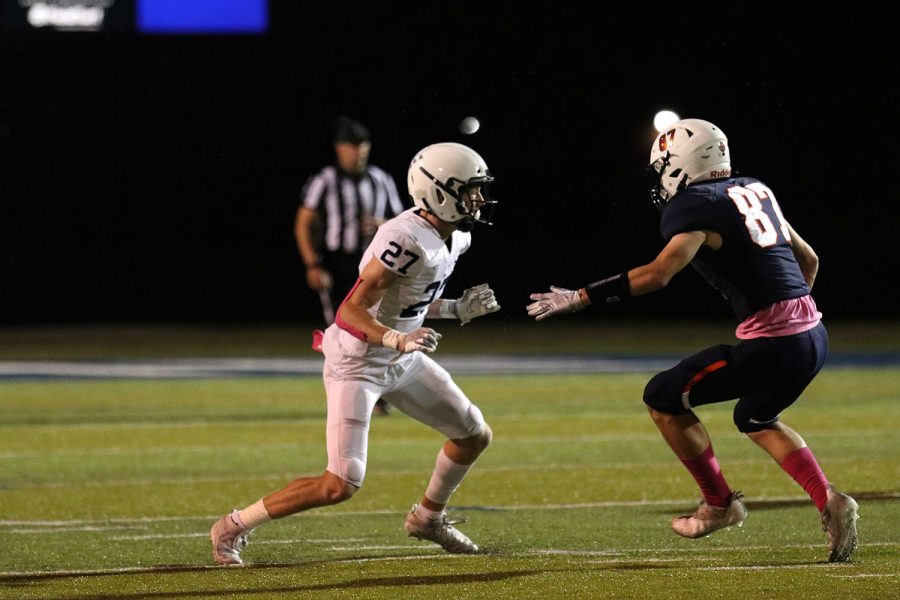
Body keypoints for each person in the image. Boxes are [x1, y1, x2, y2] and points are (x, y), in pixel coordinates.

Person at [526, 118, 859, 562]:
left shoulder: (696, 206)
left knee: (662, 396)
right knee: (755, 417)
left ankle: (719, 504)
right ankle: (831, 500)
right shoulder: (755, 189)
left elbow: (659, 273)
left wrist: (581, 296)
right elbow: (809, 259)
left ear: (679, 165)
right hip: (814, 334)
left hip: (776, 343)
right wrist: (790, 314)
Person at [211, 142, 501, 565]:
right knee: (340, 484)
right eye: (469, 190)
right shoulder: (404, 238)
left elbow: (410, 305)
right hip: (359, 362)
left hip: (397, 356)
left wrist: (455, 309)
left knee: (474, 434)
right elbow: (349, 310)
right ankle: (233, 525)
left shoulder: (455, 237)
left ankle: (427, 518)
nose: (478, 199)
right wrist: (396, 340)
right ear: (438, 191)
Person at [294, 116, 405, 415]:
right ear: (339, 148)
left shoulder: (380, 179)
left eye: (362, 145)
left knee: (375, 327)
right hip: (336, 263)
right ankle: (343, 394)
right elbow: (304, 223)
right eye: (351, 146)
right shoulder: (325, 181)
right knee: (339, 333)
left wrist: (382, 224)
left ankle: (374, 394)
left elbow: (403, 221)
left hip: (372, 267)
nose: (358, 152)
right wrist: (311, 265)